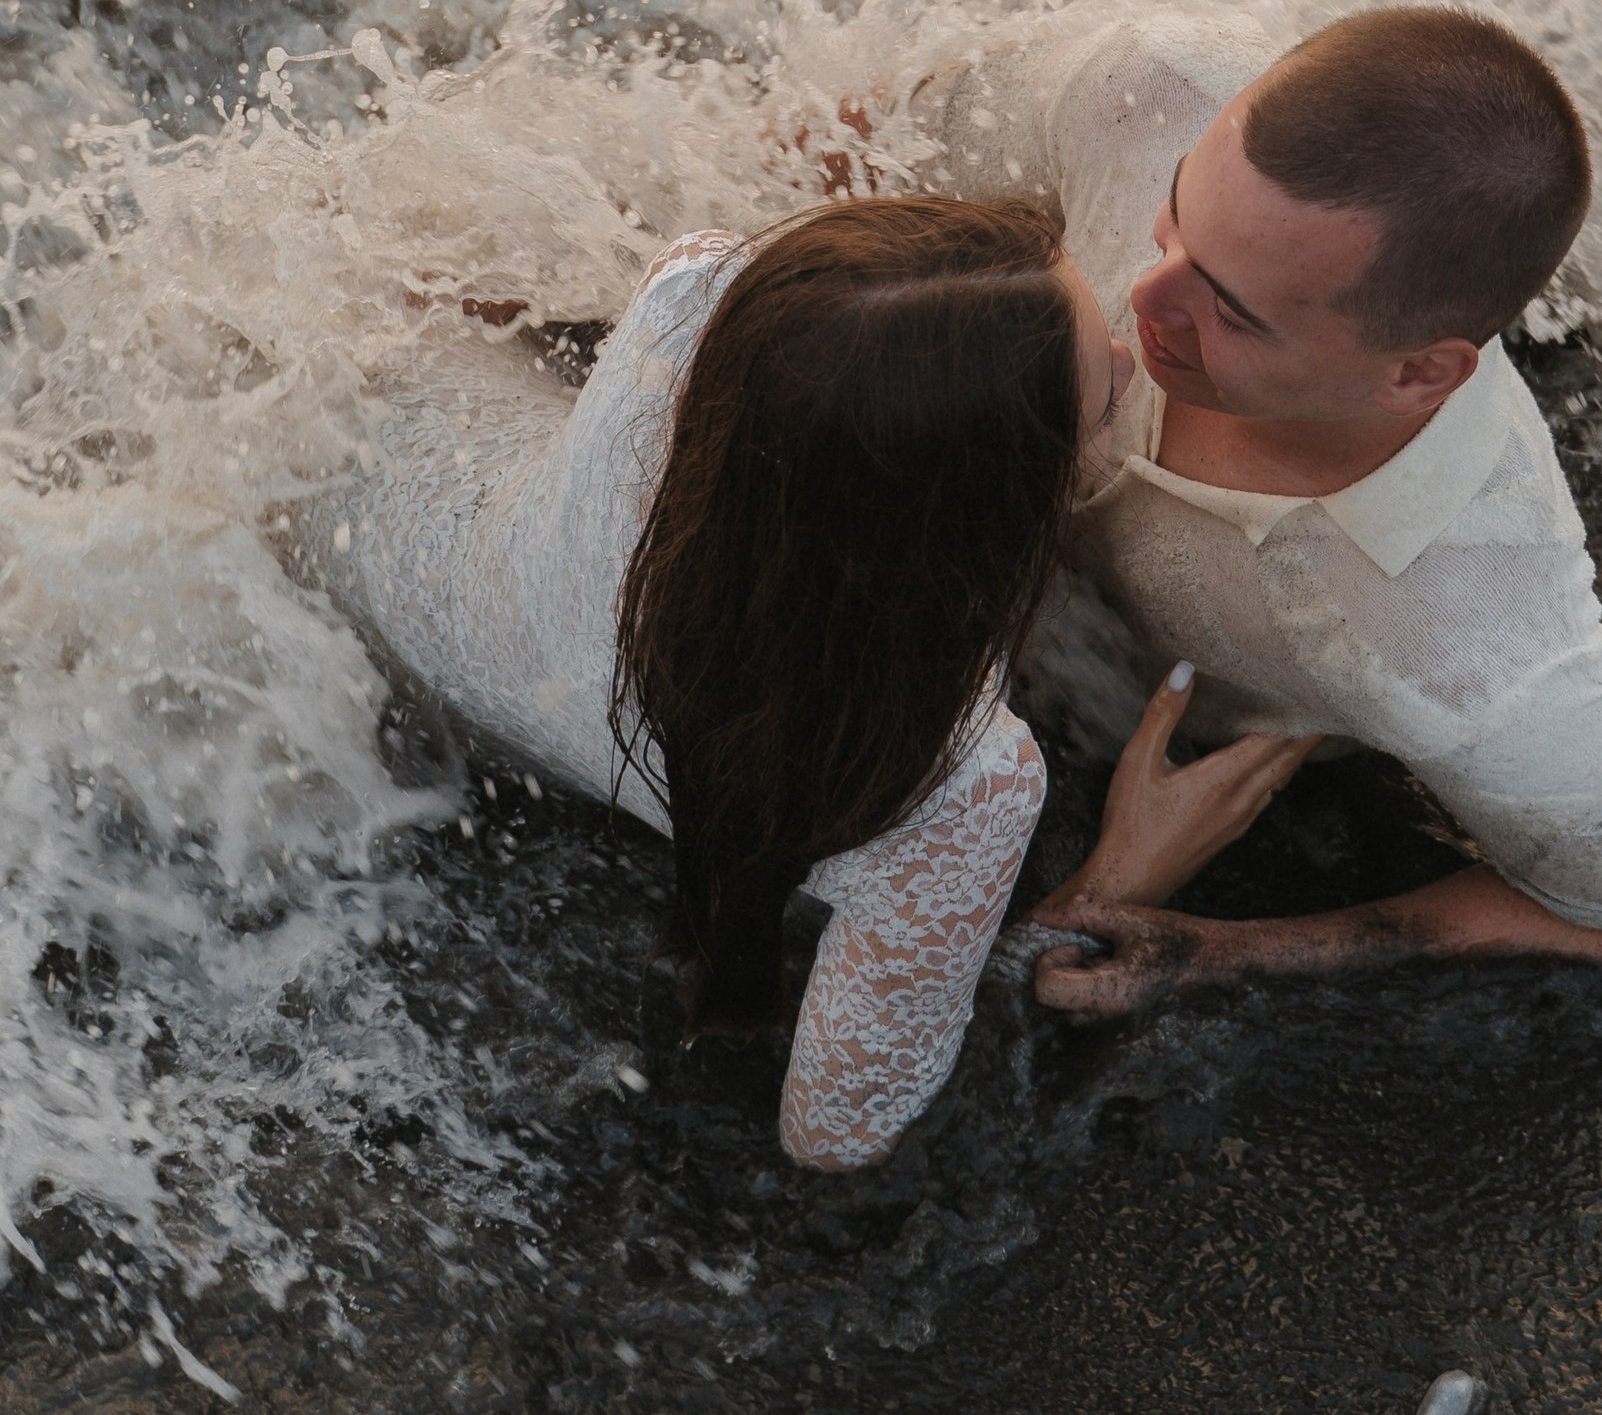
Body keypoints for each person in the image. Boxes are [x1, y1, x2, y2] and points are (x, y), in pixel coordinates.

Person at [912, 2, 1602, 1018]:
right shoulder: (1156, 82)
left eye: (1230, 309)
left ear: (1418, 373)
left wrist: (1213, 947)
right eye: (1173, 213)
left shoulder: (1466, 648)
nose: (1139, 296)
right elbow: (865, 140)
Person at [319, 197, 1134, 1170]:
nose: (1132, 358)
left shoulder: (703, 293)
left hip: (339, 469)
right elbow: (833, 1132)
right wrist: (1119, 874)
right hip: (498, 664)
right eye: (1104, 398)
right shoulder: (967, 779)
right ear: (978, 508)